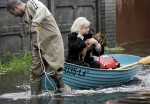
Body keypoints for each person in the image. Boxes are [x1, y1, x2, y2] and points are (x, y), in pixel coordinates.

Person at [7, 0, 66, 95]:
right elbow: (40, 28)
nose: (14, 15)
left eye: (13, 13)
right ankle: (35, 96)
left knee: (55, 70)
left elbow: (42, 9)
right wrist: (34, 28)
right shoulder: (26, 17)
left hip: (52, 42)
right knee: (35, 72)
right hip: (38, 45)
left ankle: (64, 91)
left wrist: (34, 24)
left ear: (16, 8)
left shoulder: (31, 3)